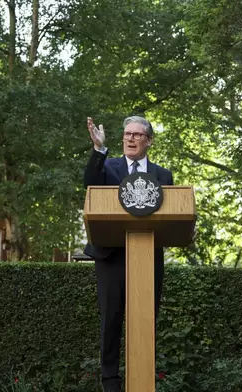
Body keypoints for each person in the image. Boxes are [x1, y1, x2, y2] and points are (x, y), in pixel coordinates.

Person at [83, 115, 174, 392]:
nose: (130, 138)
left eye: (136, 134)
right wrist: (98, 149)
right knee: (111, 320)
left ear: (148, 141)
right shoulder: (108, 166)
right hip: (111, 257)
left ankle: (144, 380)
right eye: (127, 134)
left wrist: (184, 229)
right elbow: (90, 184)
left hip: (148, 256)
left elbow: (171, 214)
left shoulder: (163, 175)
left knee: (146, 320)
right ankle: (110, 383)